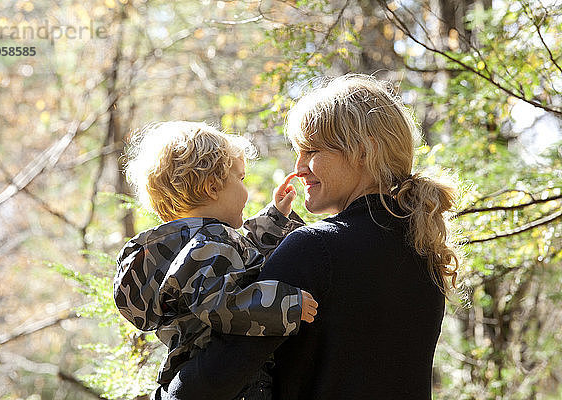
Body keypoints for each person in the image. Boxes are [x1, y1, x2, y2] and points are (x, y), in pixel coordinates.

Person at [156, 74, 462, 400]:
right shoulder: (424, 251)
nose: (299, 167)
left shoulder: (315, 249)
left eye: (311, 150)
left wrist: (164, 392)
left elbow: (213, 381)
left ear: (364, 150)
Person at [113, 121, 318, 400]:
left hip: (197, 378)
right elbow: (220, 304)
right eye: (240, 178)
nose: (246, 191)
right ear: (212, 187)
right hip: (234, 385)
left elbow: (241, 254)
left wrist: (275, 218)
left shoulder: (188, 243)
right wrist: (287, 305)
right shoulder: (208, 245)